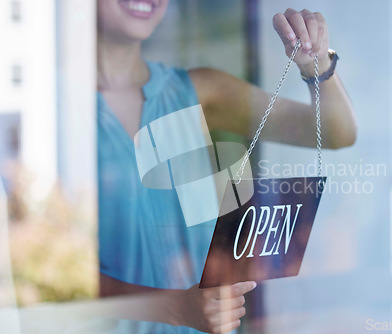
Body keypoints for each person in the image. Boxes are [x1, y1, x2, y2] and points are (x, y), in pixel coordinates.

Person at [96, 0, 356, 333]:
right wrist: (173, 308)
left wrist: (316, 63)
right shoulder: (44, 108)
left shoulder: (200, 92)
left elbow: (337, 132)